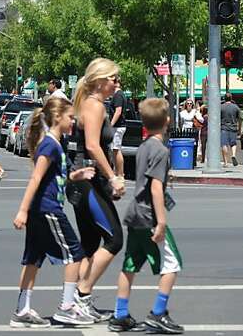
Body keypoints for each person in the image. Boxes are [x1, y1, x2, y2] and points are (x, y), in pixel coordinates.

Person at [10, 97, 96, 328]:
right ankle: (67, 307)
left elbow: (54, 176)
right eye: (70, 117)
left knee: (33, 259)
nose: (73, 121)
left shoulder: (57, 144)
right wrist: (22, 210)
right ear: (58, 117)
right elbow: (36, 177)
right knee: (75, 254)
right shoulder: (49, 144)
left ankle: (22, 310)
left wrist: (76, 176)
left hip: (42, 210)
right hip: (48, 210)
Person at [108, 98, 184, 334]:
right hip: (150, 216)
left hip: (134, 214)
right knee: (173, 263)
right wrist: (161, 221)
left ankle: (120, 314)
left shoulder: (143, 147)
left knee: (130, 264)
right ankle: (158, 313)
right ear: (168, 121)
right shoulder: (160, 150)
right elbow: (154, 188)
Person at [69, 58, 126, 323]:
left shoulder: (91, 104)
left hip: (87, 181)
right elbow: (93, 146)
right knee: (114, 240)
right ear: (101, 80)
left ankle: (73, 303)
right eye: (114, 78)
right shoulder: (94, 106)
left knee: (90, 244)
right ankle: (82, 294)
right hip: (86, 180)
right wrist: (113, 177)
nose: (117, 83)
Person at [107, 79, 126, 177]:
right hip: (118, 126)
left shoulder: (118, 95)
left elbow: (118, 111)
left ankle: (120, 173)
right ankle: (117, 171)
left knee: (116, 149)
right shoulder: (117, 95)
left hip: (118, 127)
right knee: (114, 150)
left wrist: (111, 124)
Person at [219, 93, 241, 168]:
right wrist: (239, 129)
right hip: (233, 128)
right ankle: (233, 155)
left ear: (224, 98)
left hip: (224, 128)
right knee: (233, 143)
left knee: (224, 144)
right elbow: (240, 119)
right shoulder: (236, 107)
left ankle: (225, 162)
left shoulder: (221, 107)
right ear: (231, 98)